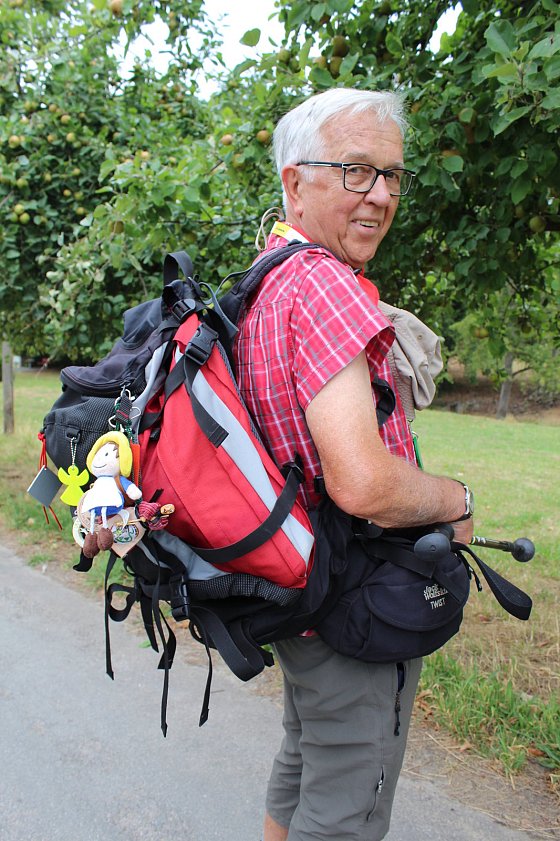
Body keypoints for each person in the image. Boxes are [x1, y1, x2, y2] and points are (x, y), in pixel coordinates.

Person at [233, 88, 475, 841]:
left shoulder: (267, 278)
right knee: (345, 810)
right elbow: (363, 481)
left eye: (392, 176)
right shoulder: (327, 284)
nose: (380, 195)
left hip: (299, 590)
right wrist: (454, 497)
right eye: (355, 171)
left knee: (307, 757)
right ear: (294, 181)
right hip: (353, 597)